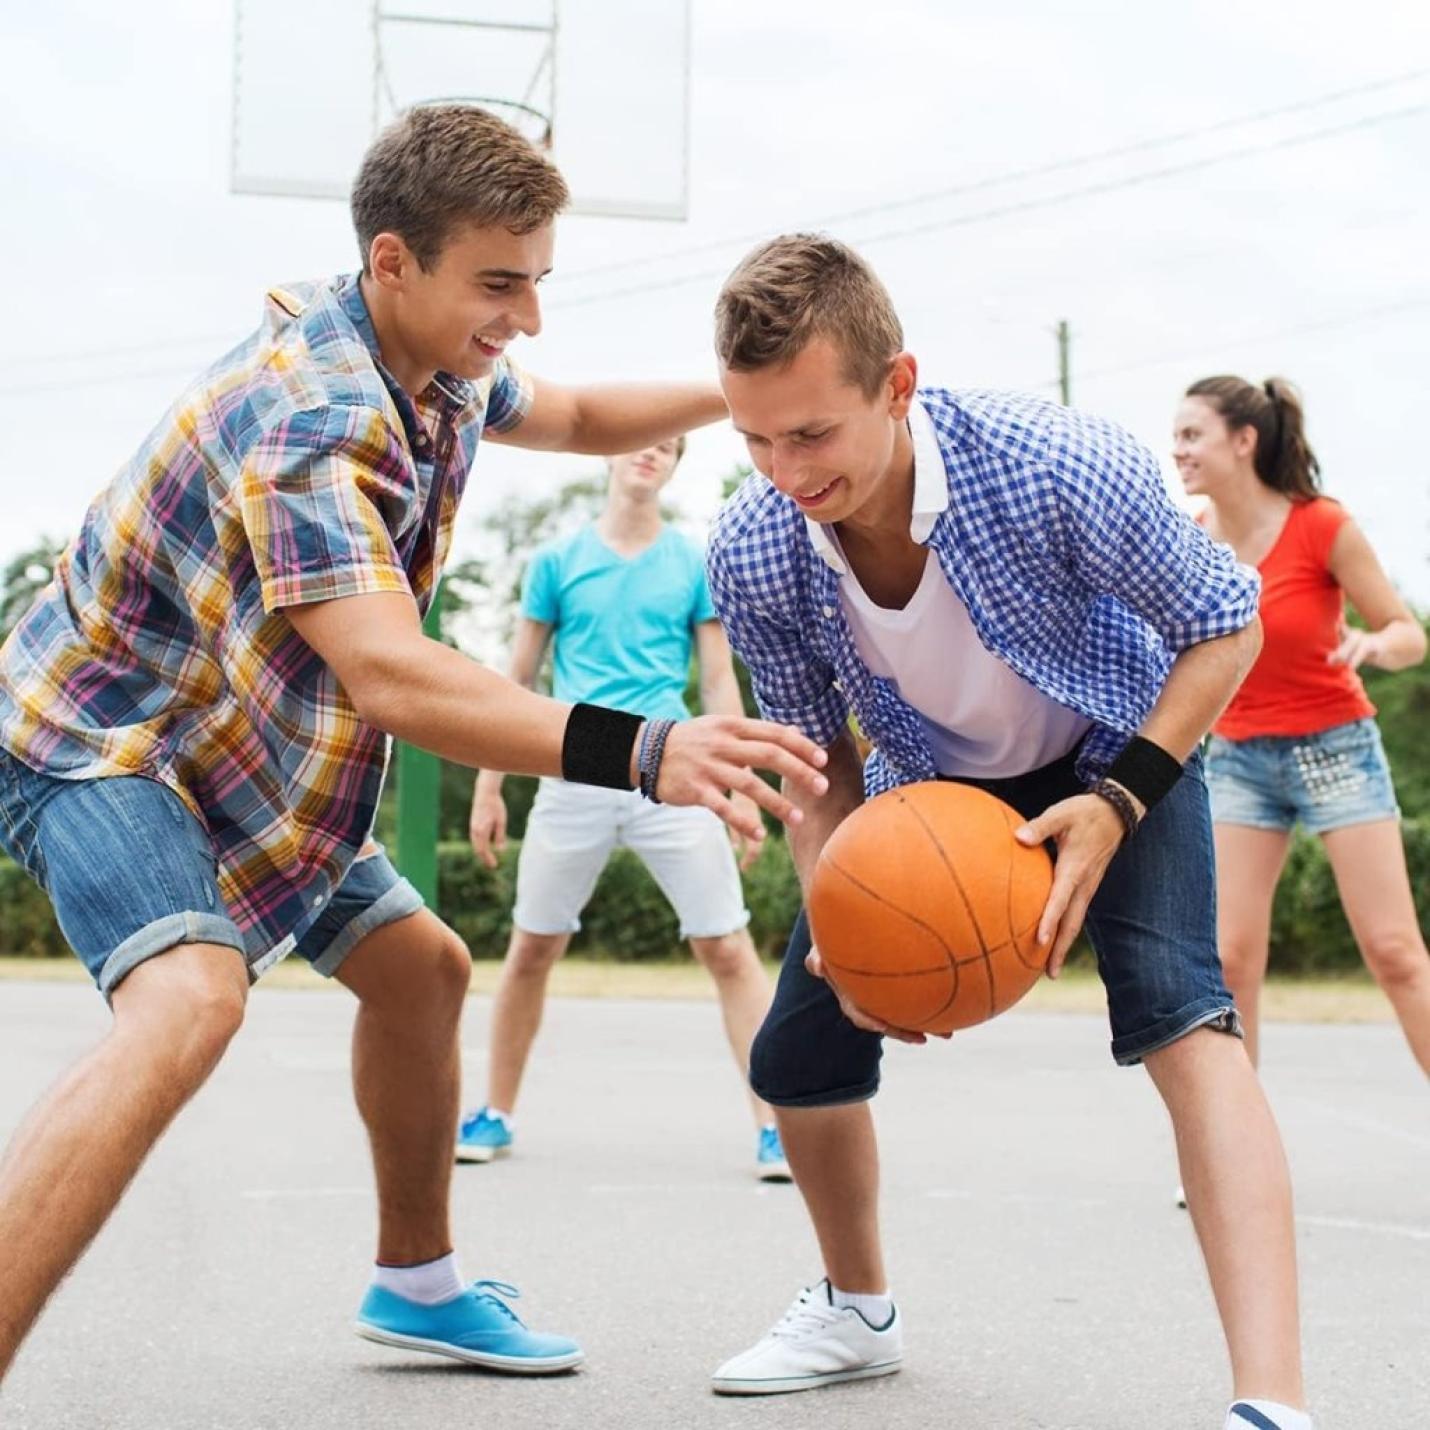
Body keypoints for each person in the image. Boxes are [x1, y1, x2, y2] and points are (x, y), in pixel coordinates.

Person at [0, 106, 828, 1387]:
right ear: (394, 260)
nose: (526, 318)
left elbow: (581, 412)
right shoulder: (310, 421)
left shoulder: (428, 359)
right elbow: (388, 672)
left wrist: (764, 392)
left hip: (244, 750)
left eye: (538, 282)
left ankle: (417, 1282)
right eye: (500, 285)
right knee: (190, 1002)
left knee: (424, 973)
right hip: (109, 742)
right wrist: (644, 747)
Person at [701, 234, 1312, 1430]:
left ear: (895, 383)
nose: (784, 469)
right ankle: (854, 1309)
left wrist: (1122, 796)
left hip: (1120, 750)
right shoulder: (754, 544)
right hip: (930, 790)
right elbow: (815, 757)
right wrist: (835, 908)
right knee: (795, 1057)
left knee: (1188, 1021)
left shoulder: (1051, 463)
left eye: (811, 434)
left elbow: (1224, 625)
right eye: (755, 439)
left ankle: (1271, 1401)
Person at [458, 436, 791, 1180]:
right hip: (575, 765)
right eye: (640, 441)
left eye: (669, 447)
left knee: (727, 949)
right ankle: (494, 1111)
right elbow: (513, 683)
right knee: (532, 950)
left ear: (675, 467)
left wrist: (735, 785)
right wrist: (489, 784)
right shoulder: (555, 563)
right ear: (610, 455)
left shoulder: (693, 563)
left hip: (673, 766)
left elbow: (716, 684)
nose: (651, 453)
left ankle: (777, 1125)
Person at [1173, 376, 1429, 1074]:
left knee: (1395, 952)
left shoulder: (1322, 525)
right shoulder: (1195, 540)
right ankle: (1236, 1162)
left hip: (1335, 749)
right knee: (1228, 957)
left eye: (1193, 434)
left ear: (1244, 440)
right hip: (1237, 759)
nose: (1178, 450)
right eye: (1177, 436)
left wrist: (1377, 646)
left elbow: (1409, 633)